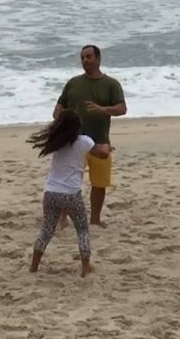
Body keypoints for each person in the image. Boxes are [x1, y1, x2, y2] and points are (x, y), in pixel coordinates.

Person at [28, 109, 111, 277]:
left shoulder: (56, 140)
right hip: (71, 194)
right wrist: (107, 148)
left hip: (50, 192)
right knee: (82, 231)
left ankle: (34, 267)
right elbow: (101, 154)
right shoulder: (84, 141)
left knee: (46, 230)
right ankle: (85, 268)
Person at [54, 45, 127, 227]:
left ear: (98, 58)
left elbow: (122, 108)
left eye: (89, 57)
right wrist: (58, 117)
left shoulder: (111, 84)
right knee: (69, 182)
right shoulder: (73, 83)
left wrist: (103, 109)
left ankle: (95, 219)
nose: (85, 60)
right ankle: (63, 218)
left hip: (100, 141)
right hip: (74, 141)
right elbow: (59, 107)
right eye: (83, 58)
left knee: (99, 183)